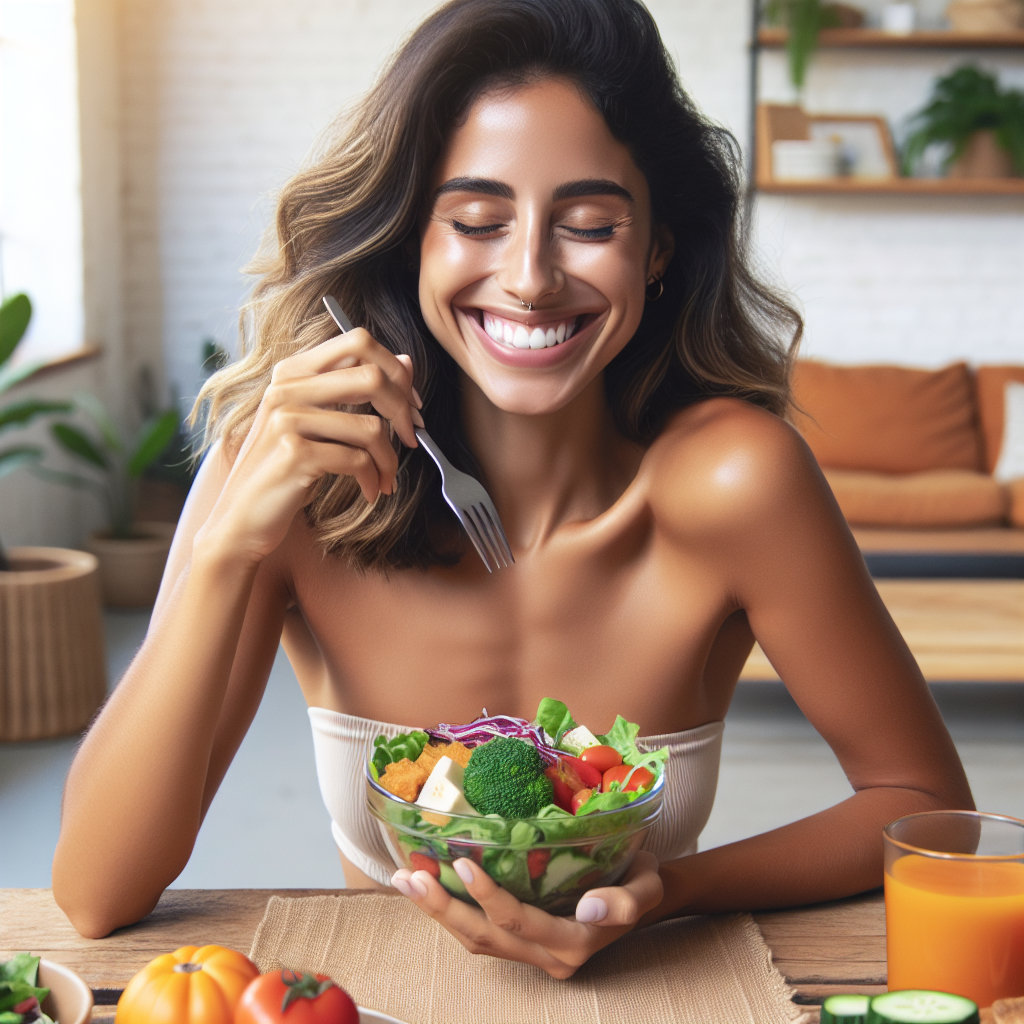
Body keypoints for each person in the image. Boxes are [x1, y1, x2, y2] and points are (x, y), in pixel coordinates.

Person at [52, 0, 972, 979]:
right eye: (478, 220)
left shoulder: (737, 481)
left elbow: (923, 806)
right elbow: (94, 890)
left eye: (587, 224)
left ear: (656, 246)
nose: (529, 278)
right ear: (413, 237)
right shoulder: (291, 474)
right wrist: (226, 547)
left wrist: (670, 894)